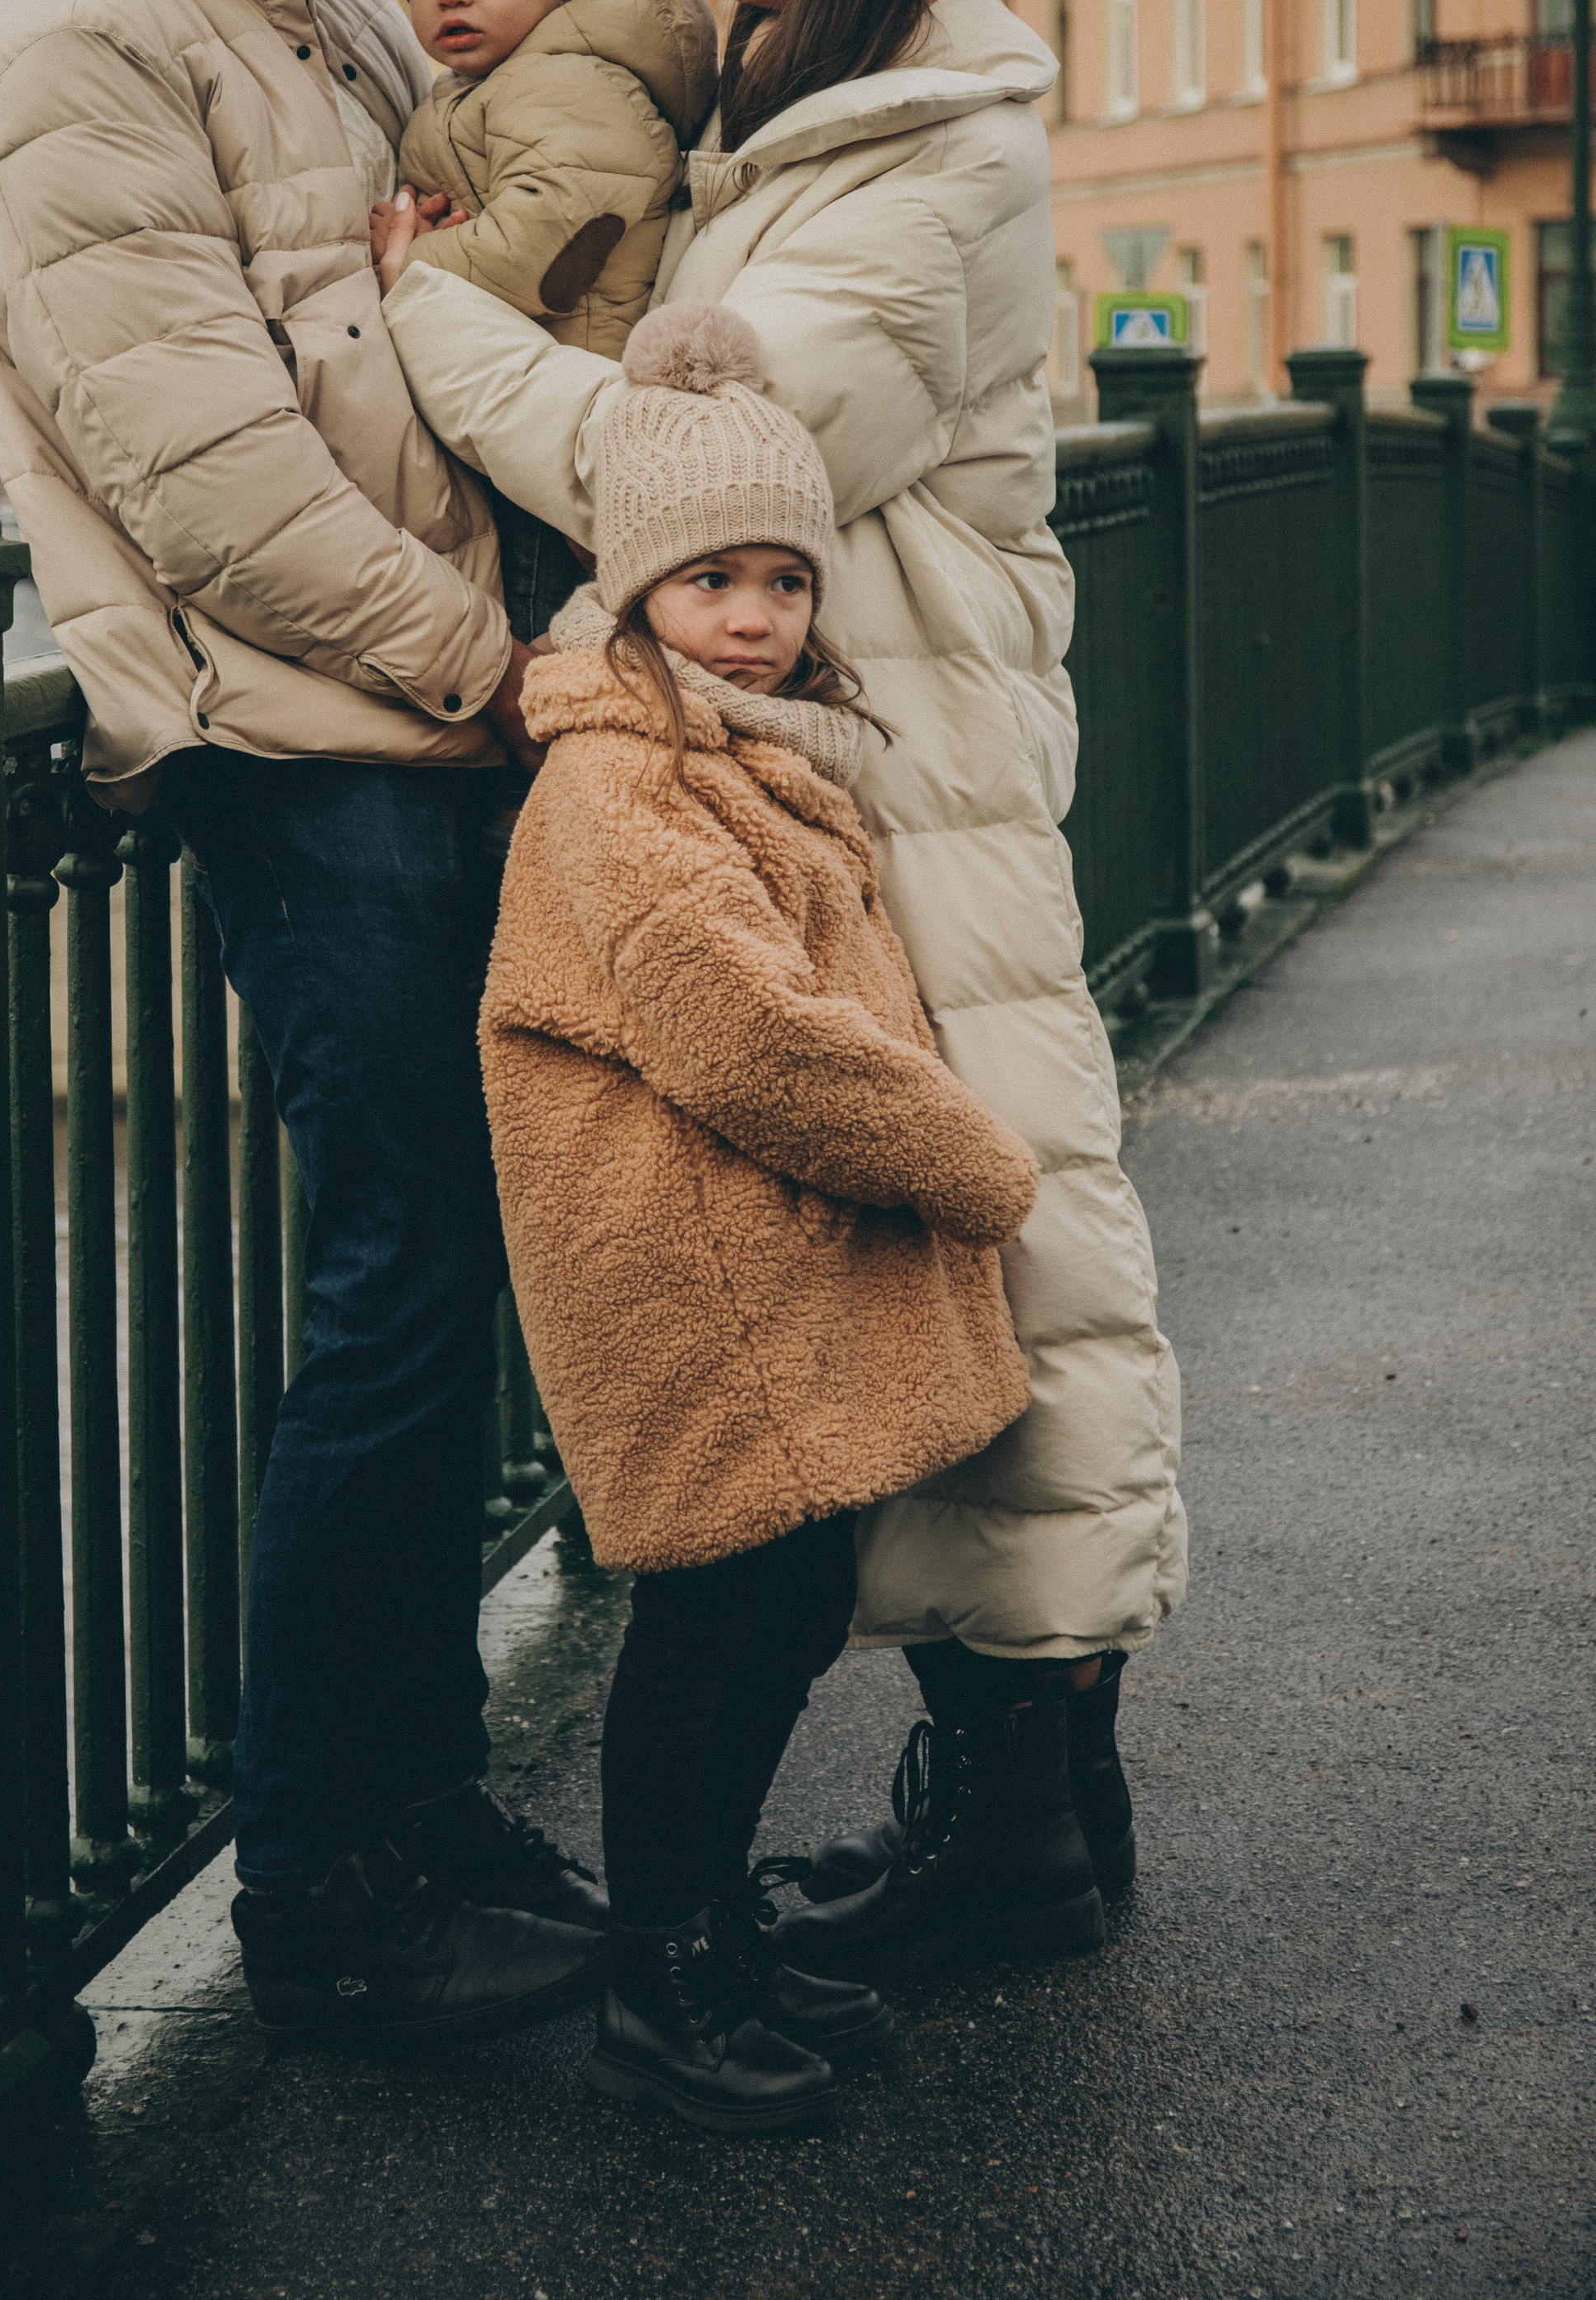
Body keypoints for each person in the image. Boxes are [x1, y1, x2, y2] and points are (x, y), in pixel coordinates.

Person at [382, 0, 1185, 1984]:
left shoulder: (929, 169)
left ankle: (1026, 1819)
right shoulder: (807, 119)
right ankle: (1022, 1807)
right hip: (832, 777)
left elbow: (674, 474)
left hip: (896, 787)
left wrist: (427, 314)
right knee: (944, 1269)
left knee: (1005, 1265)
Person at [0, 0, 606, 2051]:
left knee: (436, 1287)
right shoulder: (86, 53)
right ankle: (326, 1864)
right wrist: (490, 661)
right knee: (397, 1286)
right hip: (308, 757)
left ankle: (412, 1797)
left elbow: (428, 310)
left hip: (425, 740)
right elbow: (208, 482)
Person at [481, 298, 1052, 2131]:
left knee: (780, 1599)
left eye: (781, 580)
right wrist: (970, 1163)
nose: (753, 615)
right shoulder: (619, 774)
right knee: (720, 1620)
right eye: (710, 580)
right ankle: (663, 1971)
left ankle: (706, 1923)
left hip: (745, 1252)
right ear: (633, 589)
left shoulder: (739, 739)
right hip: (687, 1264)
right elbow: (745, 1035)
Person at [374, 0, 717, 634]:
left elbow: (547, 251)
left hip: (561, 454)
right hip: (522, 422)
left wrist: (412, 260)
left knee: (560, 673)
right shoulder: (495, 85)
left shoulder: (576, 84)